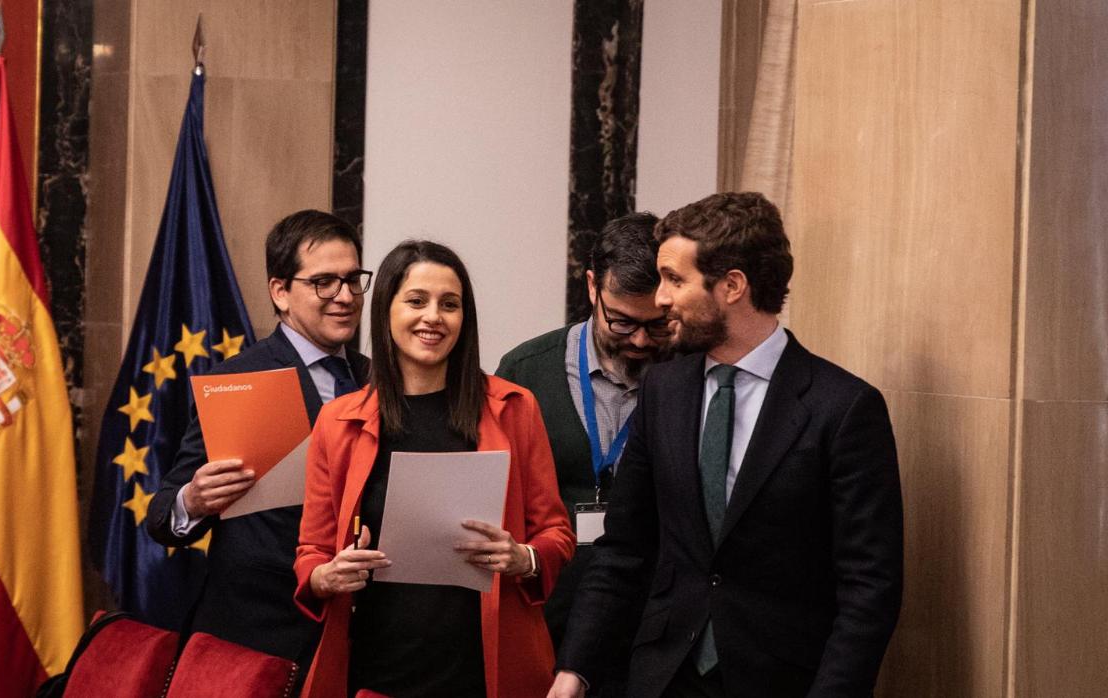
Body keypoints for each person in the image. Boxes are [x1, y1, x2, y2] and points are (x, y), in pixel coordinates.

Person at [550, 192, 903, 698]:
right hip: (663, 677)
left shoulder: (843, 409)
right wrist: (575, 670)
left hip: (781, 680)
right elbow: (625, 547)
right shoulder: (664, 389)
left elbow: (870, 588)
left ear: (733, 286)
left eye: (675, 279)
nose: (662, 297)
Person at [293, 240, 575, 698]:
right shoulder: (339, 420)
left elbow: (556, 532)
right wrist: (327, 575)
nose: (434, 318)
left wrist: (523, 557)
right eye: (417, 301)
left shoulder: (513, 408)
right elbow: (312, 550)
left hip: (485, 668)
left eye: (450, 305)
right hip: (377, 668)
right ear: (385, 309)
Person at [146, 210, 371, 669]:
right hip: (260, 634)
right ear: (280, 292)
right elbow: (162, 516)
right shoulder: (239, 380)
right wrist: (195, 499)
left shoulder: (380, 380)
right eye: (324, 282)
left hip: (362, 638)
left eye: (353, 280)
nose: (345, 297)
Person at [496, 212, 673, 695]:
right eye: (621, 321)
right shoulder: (524, 372)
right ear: (592, 285)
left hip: (652, 627)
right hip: (548, 616)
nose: (639, 341)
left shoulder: (686, 377)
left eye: (656, 325)